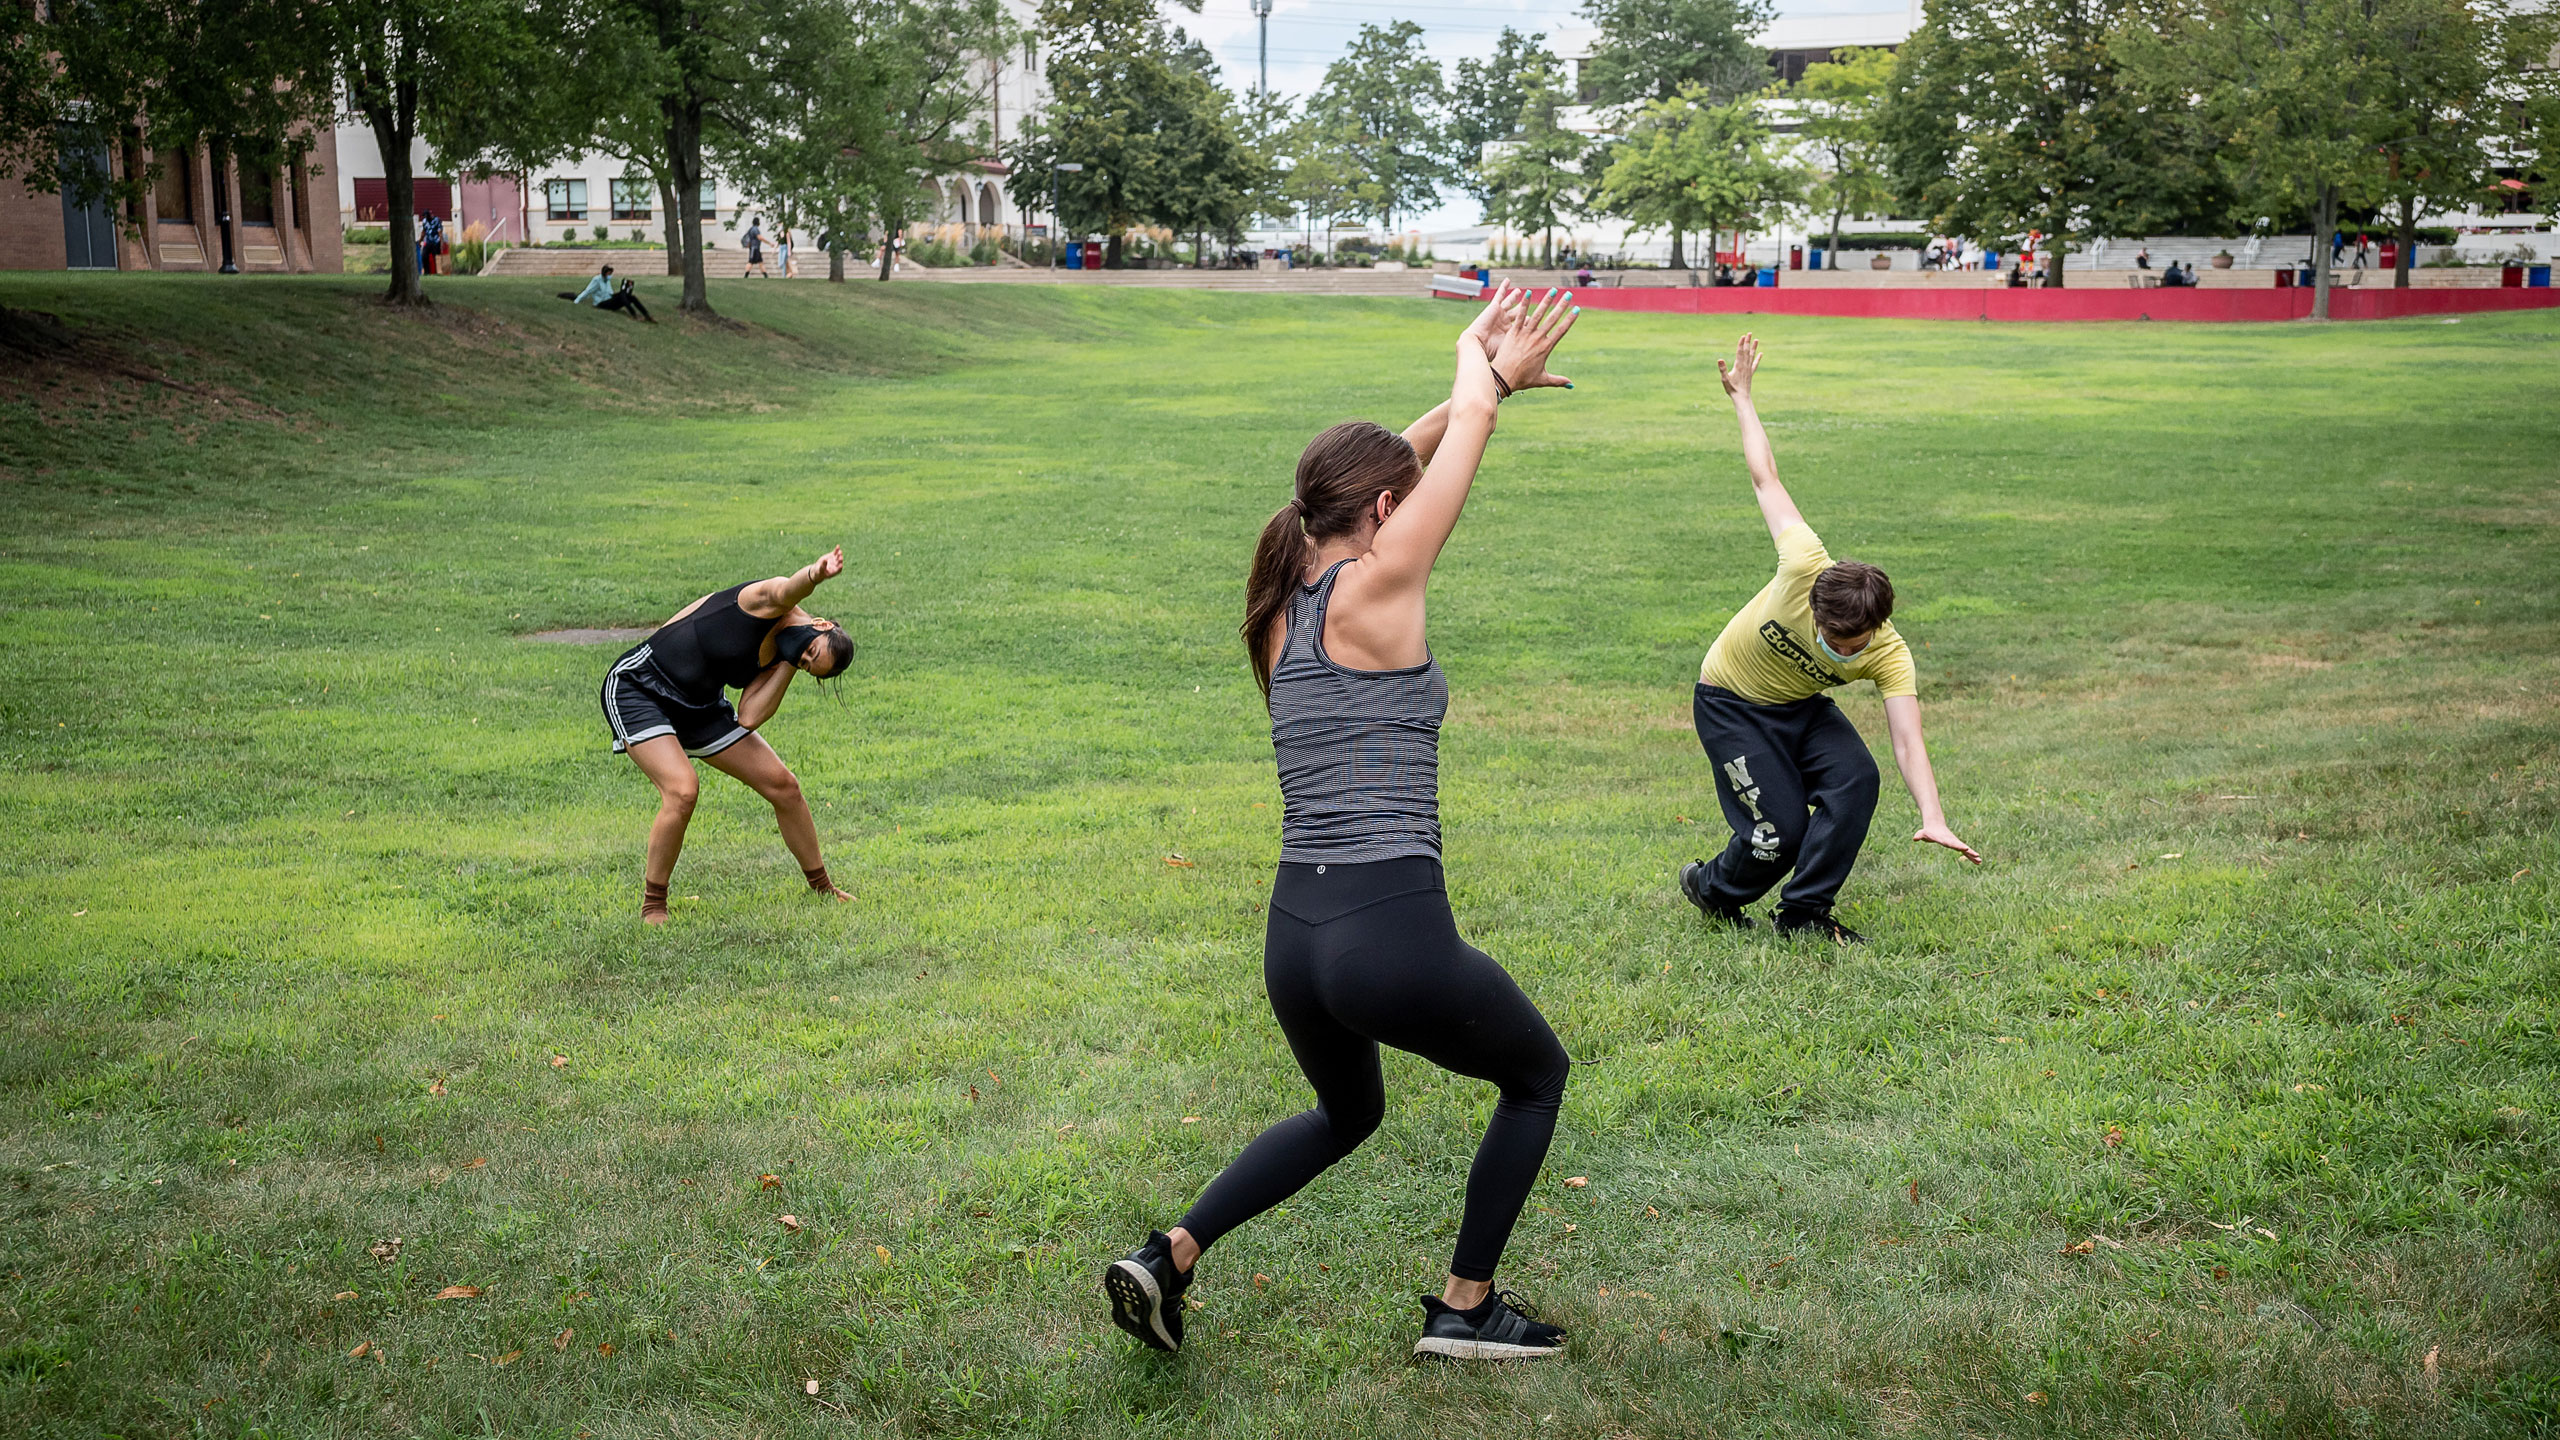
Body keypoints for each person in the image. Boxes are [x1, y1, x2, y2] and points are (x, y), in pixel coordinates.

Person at [1103, 286, 1583, 1363]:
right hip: (1388, 931)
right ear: (1377, 518)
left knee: (1346, 1114)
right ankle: (1465, 1307)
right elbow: (1460, 451)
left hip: (1296, 934)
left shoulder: (1278, 608)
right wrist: (1481, 373)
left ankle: (1171, 1254)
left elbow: (1408, 462)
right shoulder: (1378, 591)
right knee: (1536, 1076)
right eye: (1393, 507)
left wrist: (1470, 388)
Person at [1677, 334, 1981, 944]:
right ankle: (1707, 888)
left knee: (1856, 780)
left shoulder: (1891, 654)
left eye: (1856, 641)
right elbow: (1765, 478)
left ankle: (1803, 914)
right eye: (1833, 636)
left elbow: (1907, 740)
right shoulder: (1802, 564)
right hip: (1730, 702)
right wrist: (1742, 398)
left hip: (1799, 708)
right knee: (1777, 834)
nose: (1844, 649)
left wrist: (1934, 816)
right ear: (1814, 603)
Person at [599, 549, 857, 924]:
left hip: (700, 706)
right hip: (642, 687)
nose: (804, 657)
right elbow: (790, 588)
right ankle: (653, 905)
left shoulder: (785, 658)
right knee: (683, 789)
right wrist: (817, 574)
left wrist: (791, 660)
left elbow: (749, 716)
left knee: (784, 786)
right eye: (811, 651)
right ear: (820, 624)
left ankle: (822, 887)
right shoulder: (766, 601)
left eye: (809, 666)